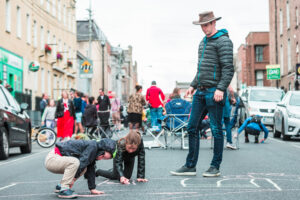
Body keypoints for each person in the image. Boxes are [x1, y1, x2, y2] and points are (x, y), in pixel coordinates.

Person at [170, 11, 234, 177]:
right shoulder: (203, 42)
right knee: (192, 127)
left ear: (214, 23)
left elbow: (228, 69)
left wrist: (221, 88)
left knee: (216, 129)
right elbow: (201, 69)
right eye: (202, 26)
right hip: (200, 92)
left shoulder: (224, 41)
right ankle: (190, 166)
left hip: (215, 92)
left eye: (206, 25)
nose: (204, 28)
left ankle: (215, 166)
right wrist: (193, 85)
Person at [45, 138, 116, 198]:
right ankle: (64, 189)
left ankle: (60, 186)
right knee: (76, 162)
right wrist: (73, 180)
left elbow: (91, 169)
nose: (101, 158)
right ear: (102, 149)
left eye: (103, 158)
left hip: (58, 160)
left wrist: (92, 188)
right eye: (102, 155)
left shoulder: (94, 151)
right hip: (53, 159)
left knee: (84, 168)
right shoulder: (92, 146)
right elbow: (82, 162)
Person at [223, 85, 237, 150]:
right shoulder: (225, 77)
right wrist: (233, 98)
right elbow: (231, 90)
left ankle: (217, 143)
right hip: (225, 102)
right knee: (227, 124)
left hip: (215, 101)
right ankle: (229, 142)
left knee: (217, 123)